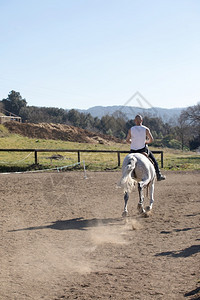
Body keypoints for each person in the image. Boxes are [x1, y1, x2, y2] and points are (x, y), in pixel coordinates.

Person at [126, 114, 166, 181]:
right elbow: (151, 140)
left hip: (133, 151)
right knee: (154, 161)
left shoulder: (131, 129)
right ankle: (159, 175)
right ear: (142, 120)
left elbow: (127, 140)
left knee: (127, 162)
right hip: (142, 150)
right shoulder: (146, 129)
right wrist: (145, 142)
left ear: (134, 121)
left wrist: (132, 142)